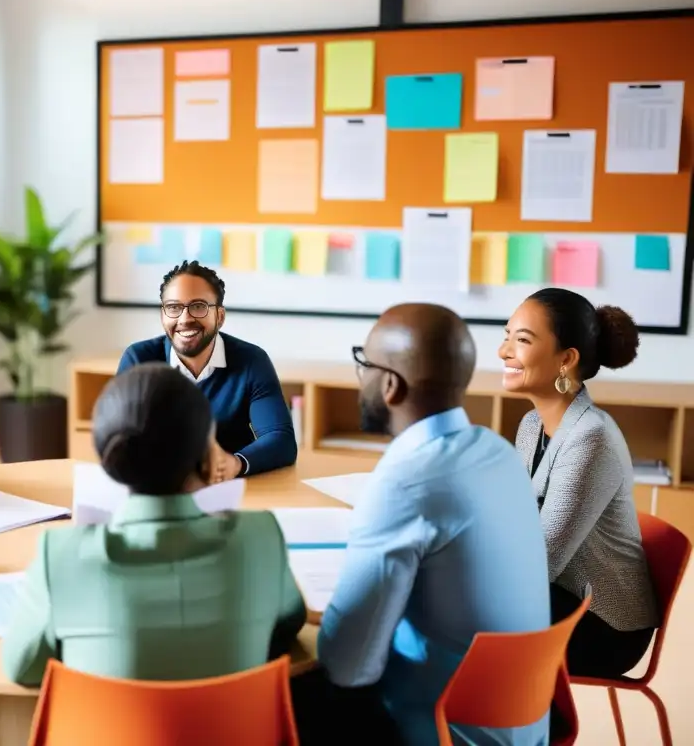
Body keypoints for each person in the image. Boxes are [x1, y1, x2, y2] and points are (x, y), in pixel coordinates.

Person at [311, 304, 550, 746]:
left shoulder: (406, 481)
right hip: (520, 721)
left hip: (443, 730)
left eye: (364, 363)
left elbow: (348, 665)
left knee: (299, 693)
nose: (359, 377)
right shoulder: (498, 452)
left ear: (389, 385)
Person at [2, 361, 306, 686]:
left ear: (108, 459)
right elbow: (287, 625)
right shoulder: (261, 537)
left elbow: (23, 668)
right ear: (208, 459)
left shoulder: (60, 554)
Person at [500, 288, 658, 678]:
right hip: (557, 595)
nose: (504, 351)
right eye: (507, 336)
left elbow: (539, 563)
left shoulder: (591, 438)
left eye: (521, 340)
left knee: (456, 616)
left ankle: (524, 731)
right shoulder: (531, 425)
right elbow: (515, 524)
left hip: (602, 624)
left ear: (566, 359)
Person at [116, 261, 297, 480]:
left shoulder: (251, 361)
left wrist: (234, 463)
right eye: (173, 307)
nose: (185, 319)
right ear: (163, 315)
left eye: (199, 306)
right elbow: (120, 438)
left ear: (219, 316)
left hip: (230, 489)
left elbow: (280, 439)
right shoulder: (139, 360)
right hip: (161, 487)